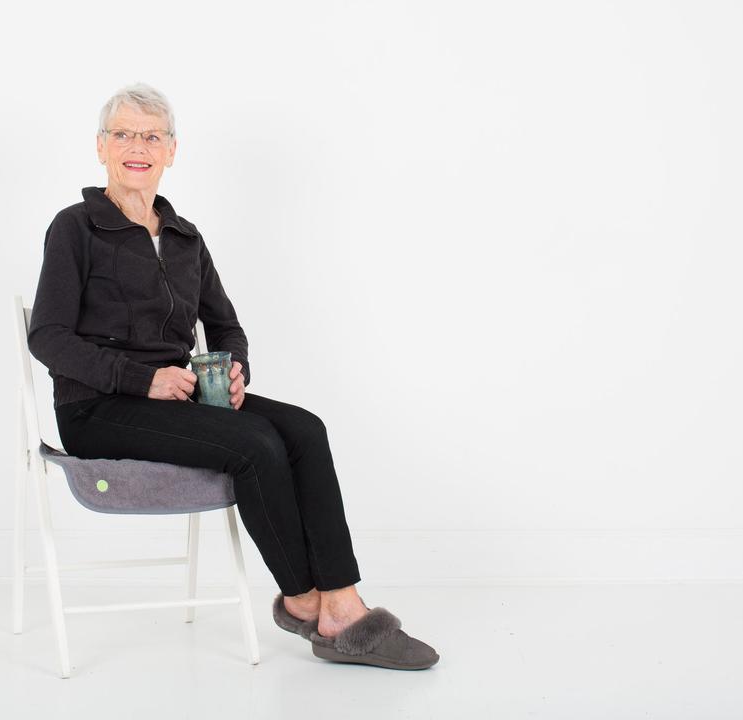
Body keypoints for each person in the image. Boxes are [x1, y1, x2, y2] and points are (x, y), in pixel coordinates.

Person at [27, 82, 438, 670]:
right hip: (99, 409)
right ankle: (305, 602)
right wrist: (142, 380)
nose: (136, 146)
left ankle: (342, 601)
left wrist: (235, 371)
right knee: (254, 445)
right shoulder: (75, 228)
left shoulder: (186, 237)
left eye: (151, 136)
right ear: (101, 147)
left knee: (306, 429)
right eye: (123, 134)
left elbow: (225, 327)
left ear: (172, 151)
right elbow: (47, 336)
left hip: (180, 401)